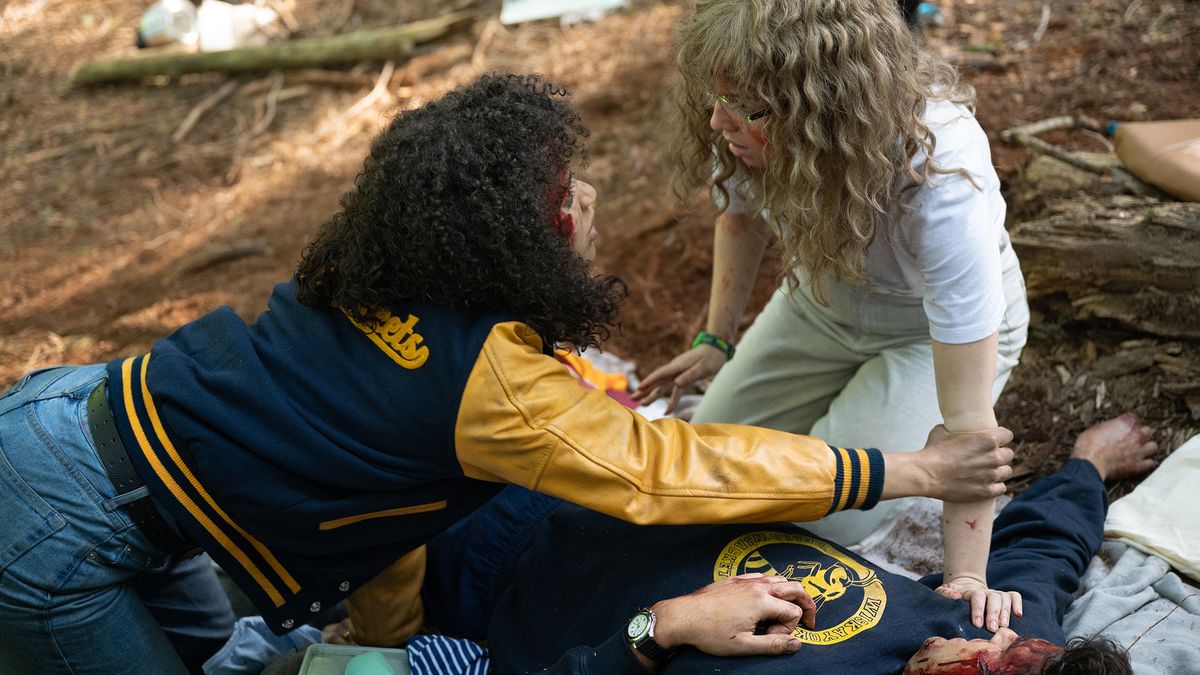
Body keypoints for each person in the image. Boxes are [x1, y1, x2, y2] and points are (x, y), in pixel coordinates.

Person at [0, 74, 1014, 675]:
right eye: (574, 186)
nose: (594, 192)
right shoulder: (489, 384)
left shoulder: (373, 269)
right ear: (546, 227)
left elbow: (390, 525)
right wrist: (910, 473)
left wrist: (401, 646)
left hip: (74, 426)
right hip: (66, 528)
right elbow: (667, 472)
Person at [633, 0, 1031, 626]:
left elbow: (968, 430)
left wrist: (965, 577)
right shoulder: (748, 102)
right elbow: (738, 218)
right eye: (717, 99)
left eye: (747, 111)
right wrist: (717, 337)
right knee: (703, 475)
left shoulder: (940, 175)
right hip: (821, 303)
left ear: (826, 109)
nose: (718, 121)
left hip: (923, 333)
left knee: (820, 517)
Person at [406, 414, 1154, 674]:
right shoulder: (1023, 649)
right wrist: (1090, 464)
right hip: (634, 478)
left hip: (496, 557)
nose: (962, 642)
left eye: (974, 671)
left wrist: (664, 628)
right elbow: (1042, 558)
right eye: (994, 646)